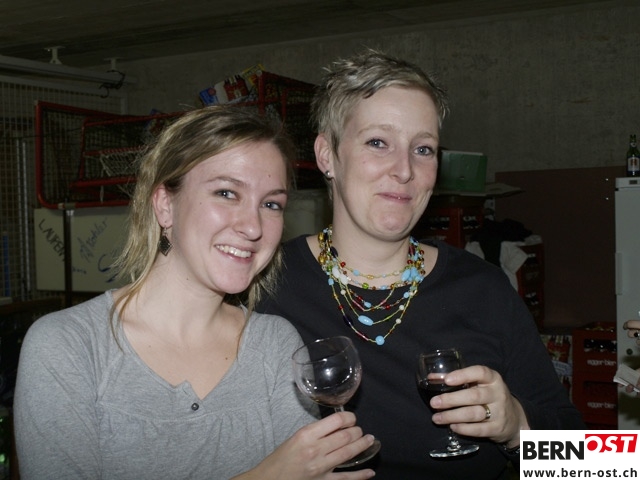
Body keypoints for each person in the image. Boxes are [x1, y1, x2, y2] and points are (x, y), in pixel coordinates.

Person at [256, 49, 586, 479]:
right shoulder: (265, 284)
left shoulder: (483, 287)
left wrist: (517, 425)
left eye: (423, 149)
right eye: (378, 142)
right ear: (326, 155)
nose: (405, 170)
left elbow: (597, 464)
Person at [13, 105, 377, 480]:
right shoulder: (68, 346)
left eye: (271, 204)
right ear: (165, 205)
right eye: (226, 193)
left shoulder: (274, 344)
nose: (253, 227)